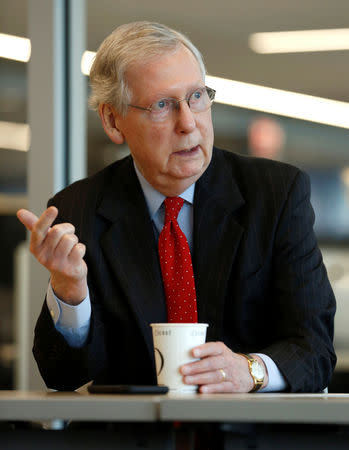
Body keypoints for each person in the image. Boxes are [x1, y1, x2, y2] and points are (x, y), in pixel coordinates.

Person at [17, 21, 336, 393]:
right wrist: (70, 291)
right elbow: (62, 375)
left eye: (197, 97)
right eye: (162, 105)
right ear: (112, 120)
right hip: (136, 441)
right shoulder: (80, 209)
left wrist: (249, 371)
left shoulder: (275, 194)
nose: (188, 123)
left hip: (249, 438)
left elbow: (314, 352)